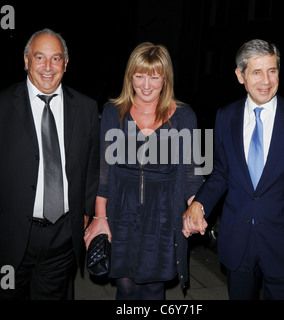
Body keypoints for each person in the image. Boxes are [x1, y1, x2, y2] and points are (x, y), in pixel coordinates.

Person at [182, 39, 284, 300]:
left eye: (272, 70)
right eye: (256, 72)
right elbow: (222, 172)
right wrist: (200, 203)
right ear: (240, 75)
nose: (266, 81)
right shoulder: (225, 116)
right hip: (238, 245)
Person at [84, 42, 203, 300]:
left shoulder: (185, 117)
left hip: (162, 218)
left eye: (154, 77)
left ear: (165, 78)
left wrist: (196, 210)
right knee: (125, 288)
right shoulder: (112, 113)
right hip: (121, 214)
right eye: (139, 76)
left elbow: (194, 175)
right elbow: (104, 173)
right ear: (130, 77)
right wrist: (100, 218)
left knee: (152, 289)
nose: (146, 85)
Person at [0, 29, 99, 300]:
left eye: (56, 59)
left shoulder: (86, 108)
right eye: (39, 57)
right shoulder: (3, 105)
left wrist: (87, 210)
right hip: (10, 237)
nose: (47, 67)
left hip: (61, 238)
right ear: (26, 60)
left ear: (66, 64)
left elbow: (92, 164)